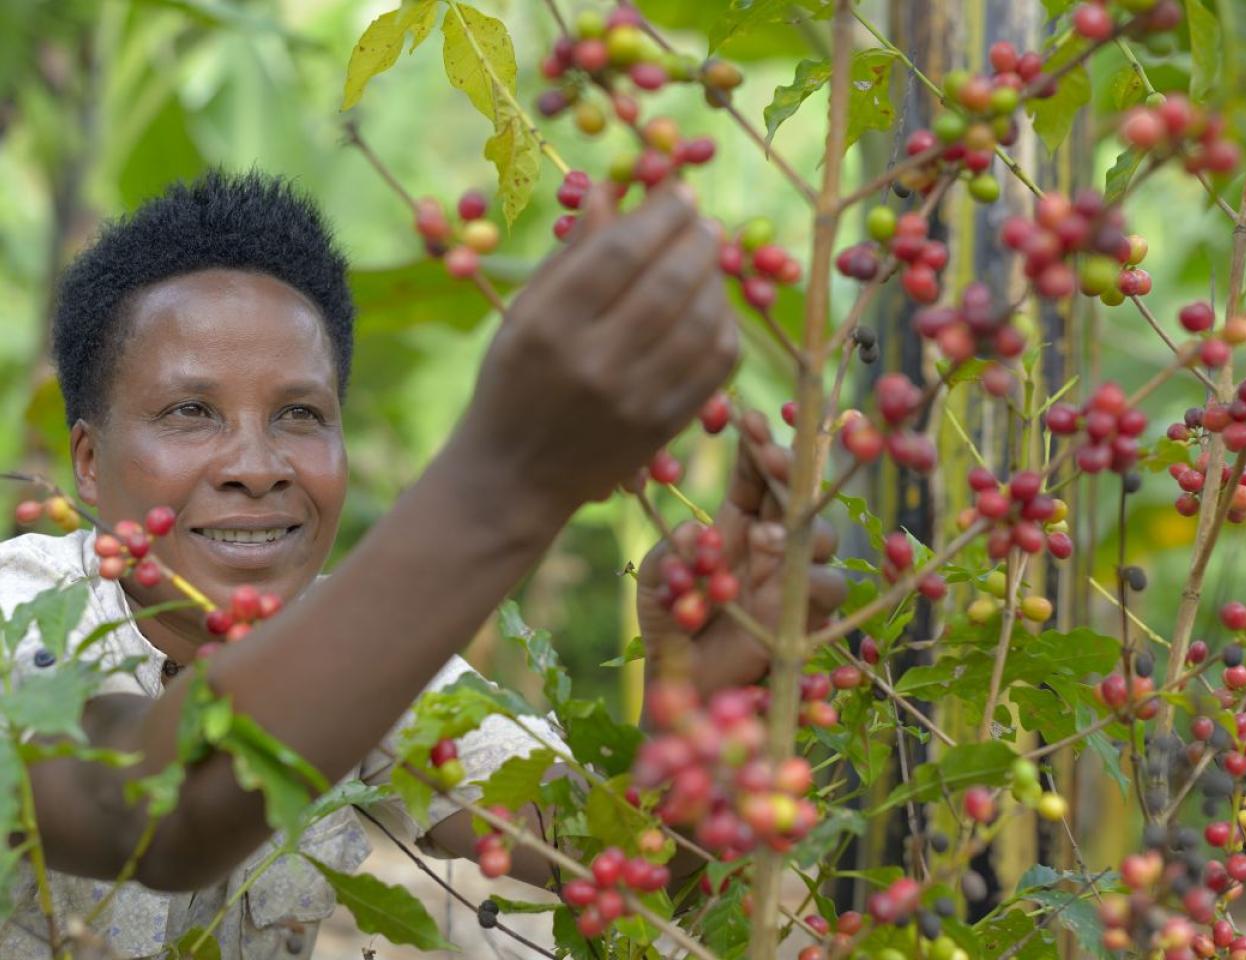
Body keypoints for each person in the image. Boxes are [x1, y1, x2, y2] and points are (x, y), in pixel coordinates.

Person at [0, 170, 844, 958]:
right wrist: (512, 480)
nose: (256, 467)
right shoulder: (22, 614)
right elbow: (146, 809)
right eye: (190, 412)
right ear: (86, 460)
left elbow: (600, 860)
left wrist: (696, 708)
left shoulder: (371, 657)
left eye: (299, 413)